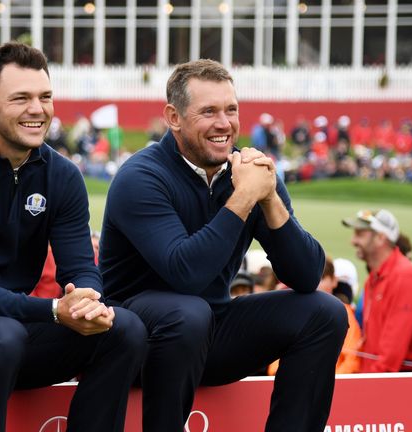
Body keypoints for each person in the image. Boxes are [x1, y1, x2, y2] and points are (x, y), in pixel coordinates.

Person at [99, 59, 348, 432]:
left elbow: (307, 275)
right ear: (174, 117)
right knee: (188, 312)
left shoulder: (250, 173)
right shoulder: (141, 176)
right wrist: (244, 198)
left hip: (209, 332)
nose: (224, 123)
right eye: (209, 111)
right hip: (135, 343)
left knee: (325, 312)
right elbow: (186, 274)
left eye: (231, 110)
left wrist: (269, 198)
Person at [0, 42, 146, 432]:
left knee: (124, 329)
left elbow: (80, 266)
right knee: (2, 336)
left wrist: (87, 301)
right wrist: (53, 311)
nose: (37, 109)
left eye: (45, 97)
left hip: (22, 327)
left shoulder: (62, 174)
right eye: (21, 98)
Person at [342, 209, 412, 372]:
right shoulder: (375, 278)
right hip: (382, 381)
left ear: (381, 237)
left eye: (360, 234)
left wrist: (365, 390)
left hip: (404, 388)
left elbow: (390, 359)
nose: (353, 241)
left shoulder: (405, 278)